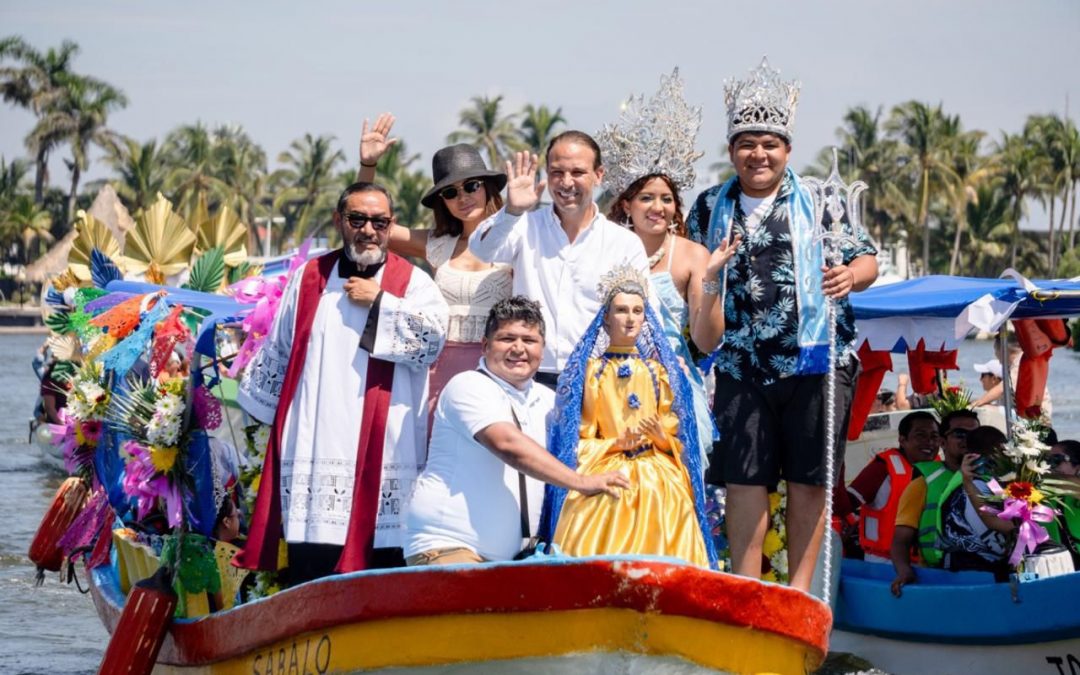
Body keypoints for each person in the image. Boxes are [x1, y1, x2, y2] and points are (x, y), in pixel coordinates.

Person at [685, 58, 879, 591]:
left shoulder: (821, 200)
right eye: (747, 144)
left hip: (815, 361)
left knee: (809, 480)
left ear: (787, 150)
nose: (759, 154)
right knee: (744, 480)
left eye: (769, 144)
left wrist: (850, 277)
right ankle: (747, 591)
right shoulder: (709, 207)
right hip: (739, 364)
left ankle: (798, 592)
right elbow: (690, 273)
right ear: (732, 152)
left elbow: (868, 260)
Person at [235, 181, 449, 584]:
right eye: (357, 219)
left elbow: (432, 343)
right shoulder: (309, 278)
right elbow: (280, 348)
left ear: (391, 225)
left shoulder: (414, 282)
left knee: (382, 574)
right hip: (315, 448)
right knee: (312, 571)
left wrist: (380, 301)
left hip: (386, 446)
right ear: (339, 221)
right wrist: (261, 420)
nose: (368, 230)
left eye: (379, 222)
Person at [406, 297, 629, 565]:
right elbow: (507, 444)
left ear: (543, 349)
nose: (518, 348)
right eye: (507, 338)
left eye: (529, 340)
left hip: (521, 561)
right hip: (450, 547)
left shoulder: (550, 401)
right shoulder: (468, 385)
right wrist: (580, 482)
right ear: (485, 346)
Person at [596, 68, 737, 466]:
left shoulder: (692, 255)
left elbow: (707, 343)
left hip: (670, 387)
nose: (657, 207)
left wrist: (712, 280)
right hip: (613, 384)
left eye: (666, 198)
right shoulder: (604, 249)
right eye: (646, 198)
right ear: (627, 204)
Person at [541, 267, 720, 568]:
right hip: (607, 465)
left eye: (637, 311)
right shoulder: (592, 373)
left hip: (656, 471)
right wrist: (613, 444)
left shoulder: (658, 372)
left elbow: (678, 434)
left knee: (671, 502)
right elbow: (578, 438)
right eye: (621, 310)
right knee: (603, 501)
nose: (630, 318)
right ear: (607, 317)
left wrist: (662, 439)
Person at [357, 116, 512, 429]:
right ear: (442, 202)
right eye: (450, 192)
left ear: (487, 187)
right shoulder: (437, 244)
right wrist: (367, 165)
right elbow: (366, 223)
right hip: (439, 370)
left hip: (498, 366)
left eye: (471, 186)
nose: (463, 197)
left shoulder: (517, 240)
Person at [468, 131, 653, 388]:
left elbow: (647, 315)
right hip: (531, 378)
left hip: (599, 380)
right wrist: (511, 211)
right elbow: (481, 249)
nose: (566, 183)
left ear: (598, 175)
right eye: (557, 173)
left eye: (577, 172)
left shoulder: (623, 243)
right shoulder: (524, 225)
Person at [889, 409, 980, 596]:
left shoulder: (994, 480)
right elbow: (900, 541)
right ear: (942, 442)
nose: (968, 440)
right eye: (960, 434)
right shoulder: (922, 485)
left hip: (985, 574)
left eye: (975, 435)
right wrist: (905, 571)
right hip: (938, 578)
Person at [841, 411, 940, 561]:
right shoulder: (882, 469)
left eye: (934, 436)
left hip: (927, 562)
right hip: (884, 563)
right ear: (902, 440)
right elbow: (843, 506)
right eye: (920, 435)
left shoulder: (940, 467)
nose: (929, 442)